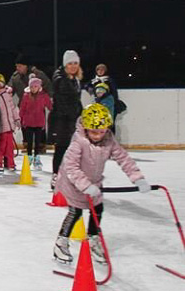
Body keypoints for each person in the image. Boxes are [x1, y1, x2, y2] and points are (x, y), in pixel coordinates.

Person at [52, 104, 149, 264]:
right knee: (75, 212)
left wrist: (137, 177)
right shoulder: (79, 141)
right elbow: (71, 167)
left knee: (98, 209)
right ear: (86, 127)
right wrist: (85, 186)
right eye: (94, 132)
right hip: (73, 182)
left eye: (102, 131)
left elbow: (123, 158)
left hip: (94, 182)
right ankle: (60, 243)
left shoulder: (109, 139)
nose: (98, 136)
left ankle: (93, 239)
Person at [50, 50, 83, 189]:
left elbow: (75, 102)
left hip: (70, 120)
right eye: (70, 63)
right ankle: (56, 177)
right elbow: (65, 104)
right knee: (62, 149)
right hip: (62, 121)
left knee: (72, 150)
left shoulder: (73, 79)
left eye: (75, 63)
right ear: (65, 65)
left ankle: (67, 177)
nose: (73, 66)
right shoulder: (62, 79)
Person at [19, 76, 52, 170]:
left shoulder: (43, 96)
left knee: (37, 142)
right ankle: (29, 157)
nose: (34, 88)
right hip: (28, 122)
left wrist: (55, 112)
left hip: (39, 122)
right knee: (29, 142)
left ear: (39, 87)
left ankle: (37, 157)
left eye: (35, 86)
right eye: (32, 87)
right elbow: (22, 108)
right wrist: (20, 119)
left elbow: (49, 106)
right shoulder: (26, 96)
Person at [0, 73, 20, 171]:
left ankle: (10, 164)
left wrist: (17, 119)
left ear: (2, 84)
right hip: (0, 128)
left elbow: (13, 108)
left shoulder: (7, 96)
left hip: (9, 127)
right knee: (0, 147)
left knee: (9, 147)